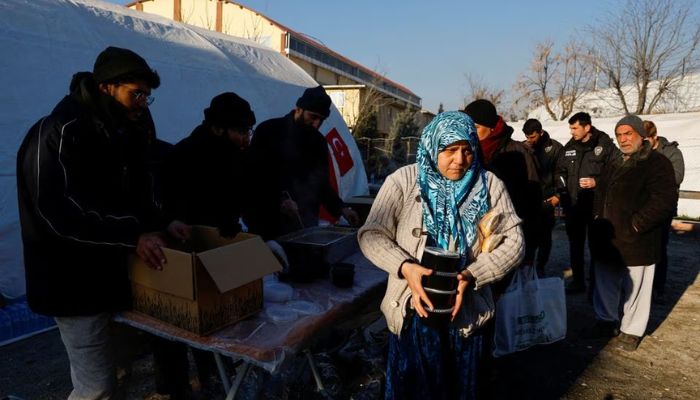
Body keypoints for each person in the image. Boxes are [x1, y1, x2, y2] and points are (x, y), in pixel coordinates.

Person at [16, 46, 190, 399]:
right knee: (96, 388)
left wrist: (163, 221)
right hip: (72, 282)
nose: (143, 103)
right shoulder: (59, 131)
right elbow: (58, 215)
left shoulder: (127, 129)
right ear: (105, 86)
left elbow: (139, 192)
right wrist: (132, 236)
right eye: (136, 93)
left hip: (117, 276)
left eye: (147, 95)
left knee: (120, 373)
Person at [358, 111, 524, 399]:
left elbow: (514, 242)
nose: (459, 160)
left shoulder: (489, 185)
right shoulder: (404, 181)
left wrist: (473, 275)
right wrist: (405, 267)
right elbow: (371, 234)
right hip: (413, 315)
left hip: (468, 318)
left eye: (467, 150)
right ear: (433, 146)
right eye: (449, 150)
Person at [154, 92, 257, 398]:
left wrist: (234, 224)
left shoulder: (237, 154)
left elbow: (241, 194)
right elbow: (164, 204)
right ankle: (174, 388)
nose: (246, 138)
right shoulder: (184, 154)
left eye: (249, 131)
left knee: (217, 322)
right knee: (174, 327)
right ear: (218, 128)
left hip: (221, 248)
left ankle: (215, 378)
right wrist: (179, 222)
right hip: (182, 252)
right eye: (241, 131)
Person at [589, 115, 677, 351]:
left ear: (641, 135)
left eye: (628, 134)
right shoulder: (615, 162)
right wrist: (598, 218)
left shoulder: (657, 163)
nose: (623, 139)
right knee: (605, 281)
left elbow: (664, 201)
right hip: (608, 238)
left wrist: (636, 225)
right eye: (619, 135)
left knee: (636, 287)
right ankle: (606, 321)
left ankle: (632, 330)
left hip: (638, 239)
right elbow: (601, 194)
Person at [247, 85, 359, 238]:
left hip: (305, 224)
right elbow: (253, 177)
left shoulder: (319, 142)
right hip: (268, 223)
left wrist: (342, 208)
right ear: (299, 109)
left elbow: (322, 184)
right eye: (313, 117)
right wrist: (279, 201)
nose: (316, 124)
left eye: (321, 120)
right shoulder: (269, 131)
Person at [463, 99, 540, 269]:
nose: (470, 132)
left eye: (475, 128)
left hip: (508, 239)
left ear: (491, 127)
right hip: (475, 241)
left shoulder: (518, 153)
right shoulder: (466, 153)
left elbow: (532, 202)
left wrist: (528, 247)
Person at [554, 112, 619, 294]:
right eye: (570, 128)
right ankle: (578, 281)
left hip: (596, 207)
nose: (571, 132)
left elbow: (617, 173)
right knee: (575, 245)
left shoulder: (605, 146)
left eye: (575, 128)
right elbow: (559, 171)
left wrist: (597, 183)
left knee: (596, 246)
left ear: (587, 128)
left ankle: (596, 283)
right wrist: (563, 191)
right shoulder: (569, 147)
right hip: (574, 207)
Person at [643, 120, 685, 304]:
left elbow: (676, 177)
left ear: (654, 137)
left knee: (659, 246)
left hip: (662, 207)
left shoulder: (672, 152)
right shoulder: (640, 152)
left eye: (646, 140)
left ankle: (657, 287)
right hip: (641, 206)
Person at [522, 118, 563, 276]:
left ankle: (541, 266)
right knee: (528, 236)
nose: (529, 140)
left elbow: (562, 173)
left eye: (532, 137)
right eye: (527, 137)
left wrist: (557, 196)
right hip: (529, 201)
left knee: (545, 237)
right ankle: (528, 265)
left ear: (541, 132)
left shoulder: (555, 148)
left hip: (548, 199)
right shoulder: (524, 148)